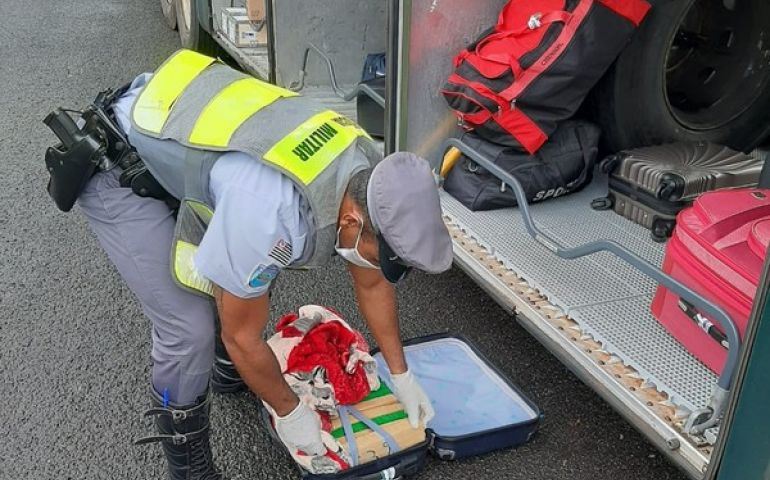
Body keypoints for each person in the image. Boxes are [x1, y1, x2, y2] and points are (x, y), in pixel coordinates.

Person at [73, 49, 453, 479]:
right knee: (189, 330)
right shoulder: (271, 216)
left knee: (248, 276)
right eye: (382, 255)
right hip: (118, 160)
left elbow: (371, 283)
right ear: (351, 219)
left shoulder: (366, 169)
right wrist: (291, 413)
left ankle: (228, 375)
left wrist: (400, 374)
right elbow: (242, 335)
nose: (380, 266)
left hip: (187, 135)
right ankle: (187, 460)